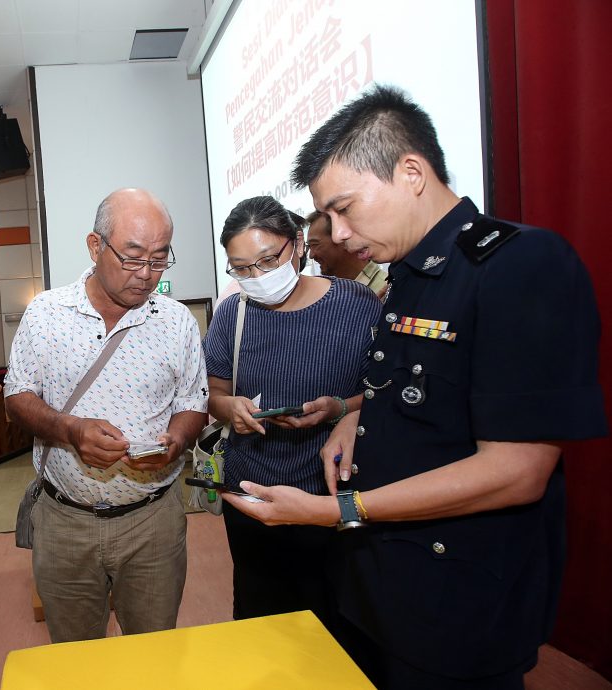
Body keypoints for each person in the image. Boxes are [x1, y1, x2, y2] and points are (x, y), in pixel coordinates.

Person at [226, 85, 606, 689]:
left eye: (346, 208)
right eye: (329, 218)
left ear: (411, 172)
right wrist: (354, 419)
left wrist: (335, 510)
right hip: (380, 584)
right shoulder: (408, 276)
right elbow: (408, 390)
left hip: (456, 599)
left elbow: (518, 469)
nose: (341, 234)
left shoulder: (520, 265)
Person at [4, 188, 208, 643]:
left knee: (154, 650)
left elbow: (193, 401)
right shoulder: (46, 314)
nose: (147, 274)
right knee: (77, 655)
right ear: (95, 246)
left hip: (153, 519)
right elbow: (17, 397)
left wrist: (175, 442)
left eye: (159, 259)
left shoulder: (175, 321)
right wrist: (69, 430)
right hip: (65, 520)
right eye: (133, 258)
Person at [203, 196, 380, 628]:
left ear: (298, 244)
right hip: (251, 493)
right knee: (263, 618)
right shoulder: (234, 314)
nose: (256, 277)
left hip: (330, 492)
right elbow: (212, 393)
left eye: (266, 261)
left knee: (337, 619)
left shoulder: (357, 305)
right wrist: (233, 409)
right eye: (241, 269)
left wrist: (339, 408)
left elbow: (382, 393)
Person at [306, 210, 388, 296]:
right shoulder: (329, 295)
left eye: (315, 245)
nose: (311, 255)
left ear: (344, 240)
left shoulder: (387, 292)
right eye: (309, 246)